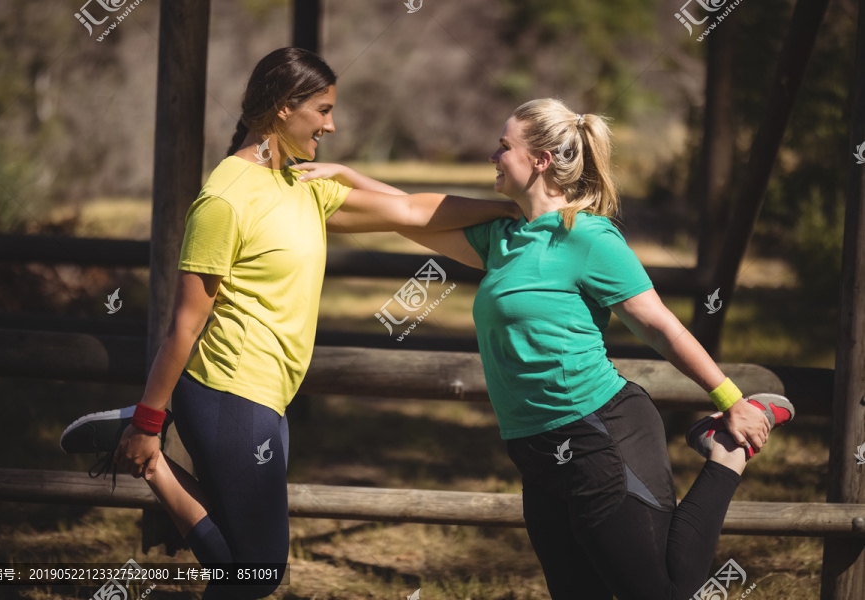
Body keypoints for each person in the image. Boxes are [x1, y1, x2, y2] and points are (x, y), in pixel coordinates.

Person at [59, 47, 519, 600]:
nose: (333, 123)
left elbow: (409, 211)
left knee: (244, 567)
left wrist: (509, 209)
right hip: (227, 388)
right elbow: (184, 324)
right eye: (322, 110)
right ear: (282, 108)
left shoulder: (302, 185)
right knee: (260, 570)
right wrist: (150, 420)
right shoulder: (225, 200)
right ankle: (148, 456)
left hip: (269, 394)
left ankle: (150, 461)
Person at [299, 98, 796, 600]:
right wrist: (346, 176)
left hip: (599, 433)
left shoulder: (589, 237)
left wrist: (730, 399)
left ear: (539, 160)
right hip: (534, 450)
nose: (493, 156)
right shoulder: (503, 238)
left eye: (504, 147)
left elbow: (660, 325)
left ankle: (726, 453)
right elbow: (408, 213)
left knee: (660, 593)